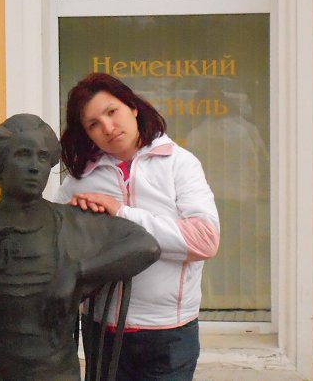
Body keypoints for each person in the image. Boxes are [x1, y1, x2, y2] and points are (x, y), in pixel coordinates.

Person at [0, 114, 160, 381]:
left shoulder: (72, 224)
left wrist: (78, 271)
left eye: (42, 157)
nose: (34, 167)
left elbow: (146, 245)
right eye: (23, 155)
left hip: (57, 375)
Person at [55, 73, 220, 381]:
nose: (107, 127)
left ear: (132, 107)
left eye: (112, 111)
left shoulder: (180, 163)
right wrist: (78, 223)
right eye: (93, 124)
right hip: (100, 329)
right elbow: (58, 245)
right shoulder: (80, 180)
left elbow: (204, 240)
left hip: (168, 333)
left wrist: (122, 214)